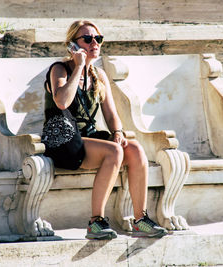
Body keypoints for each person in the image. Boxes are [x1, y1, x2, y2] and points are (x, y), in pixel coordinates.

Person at [42, 20, 168, 240]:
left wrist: (118, 133)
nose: (94, 43)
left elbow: (110, 115)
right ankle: (96, 222)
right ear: (73, 45)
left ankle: (140, 219)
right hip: (62, 140)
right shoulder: (59, 69)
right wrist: (79, 65)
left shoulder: (98, 76)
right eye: (87, 39)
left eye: (98, 39)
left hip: (87, 138)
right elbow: (62, 102)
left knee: (135, 149)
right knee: (114, 152)